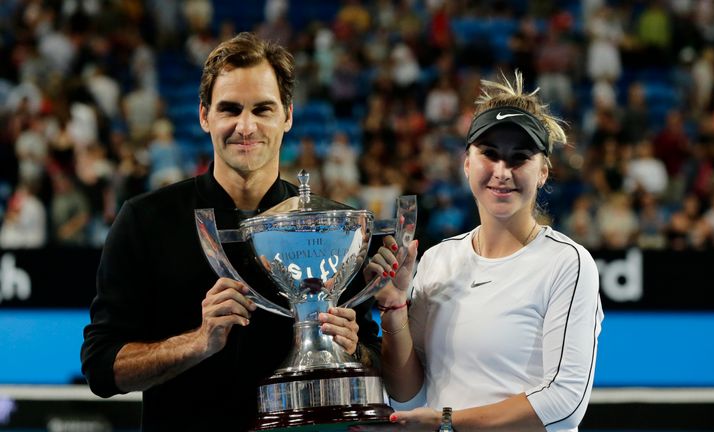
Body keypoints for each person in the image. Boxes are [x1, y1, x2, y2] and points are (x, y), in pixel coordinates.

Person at [80, 32, 381, 431]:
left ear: (287, 115)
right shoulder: (145, 221)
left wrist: (352, 347)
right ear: (204, 115)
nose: (245, 126)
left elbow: (382, 370)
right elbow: (101, 367)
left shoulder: (334, 229)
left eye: (262, 109)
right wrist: (198, 342)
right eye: (229, 109)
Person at [366, 71, 603, 431]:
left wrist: (449, 422)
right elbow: (407, 397)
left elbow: (564, 401)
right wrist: (395, 309)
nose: (502, 171)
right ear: (467, 164)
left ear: (543, 172)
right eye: (489, 154)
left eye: (519, 157)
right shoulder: (437, 261)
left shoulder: (567, 263)